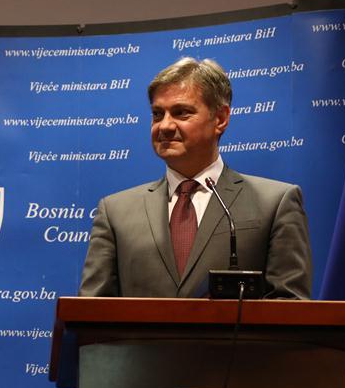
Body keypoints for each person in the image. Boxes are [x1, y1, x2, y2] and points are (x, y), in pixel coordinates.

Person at [79, 57, 311, 299]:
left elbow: (289, 307)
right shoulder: (115, 211)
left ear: (220, 119)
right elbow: (89, 312)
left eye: (181, 113)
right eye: (158, 114)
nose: (165, 126)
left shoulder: (274, 203)